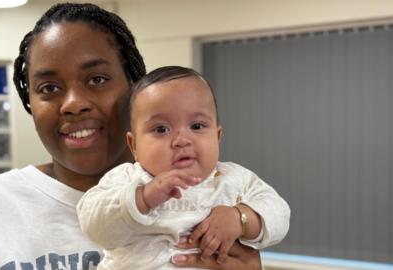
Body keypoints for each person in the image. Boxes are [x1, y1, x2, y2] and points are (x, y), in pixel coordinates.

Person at [0, 3, 267, 270]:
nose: (72, 104)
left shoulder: (211, 192)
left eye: (97, 80)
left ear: (136, 88)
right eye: (49, 88)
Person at [77, 66, 290, 269]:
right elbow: (93, 225)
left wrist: (240, 218)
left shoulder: (233, 178)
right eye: (161, 129)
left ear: (217, 136)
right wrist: (143, 198)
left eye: (197, 126)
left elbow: (279, 214)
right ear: (134, 146)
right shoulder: (126, 179)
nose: (181, 140)